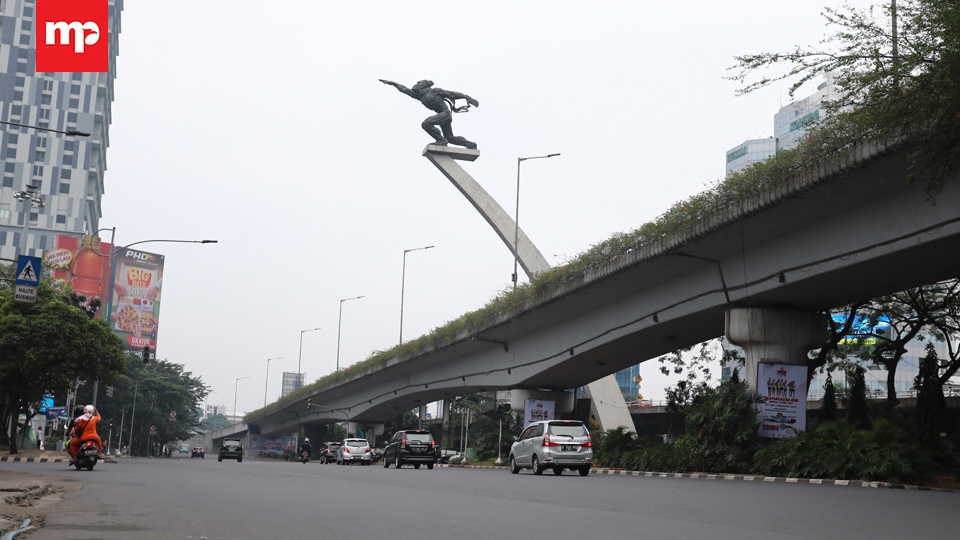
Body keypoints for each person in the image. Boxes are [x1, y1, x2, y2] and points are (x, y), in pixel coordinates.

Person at [380, 79, 479, 149]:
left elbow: (452, 94)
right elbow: (405, 89)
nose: (416, 84)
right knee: (450, 138)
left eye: (418, 83)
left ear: (424, 85)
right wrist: (393, 83)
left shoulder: (434, 91)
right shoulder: (420, 96)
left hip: (445, 114)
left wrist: (467, 97)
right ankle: (470, 144)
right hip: (442, 116)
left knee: (426, 124)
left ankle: (441, 141)